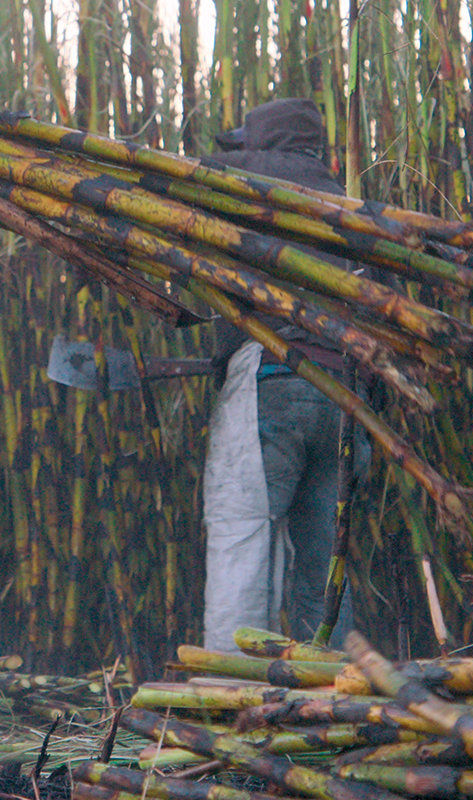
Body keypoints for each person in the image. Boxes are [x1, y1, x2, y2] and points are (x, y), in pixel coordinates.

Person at [199, 97, 370, 650]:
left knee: (242, 538)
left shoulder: (247, 178)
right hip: (344, 398)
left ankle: (232, 685)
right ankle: (336, 692)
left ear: (264, 144)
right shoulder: (347, 202)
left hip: (272, 379)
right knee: (326, 564)